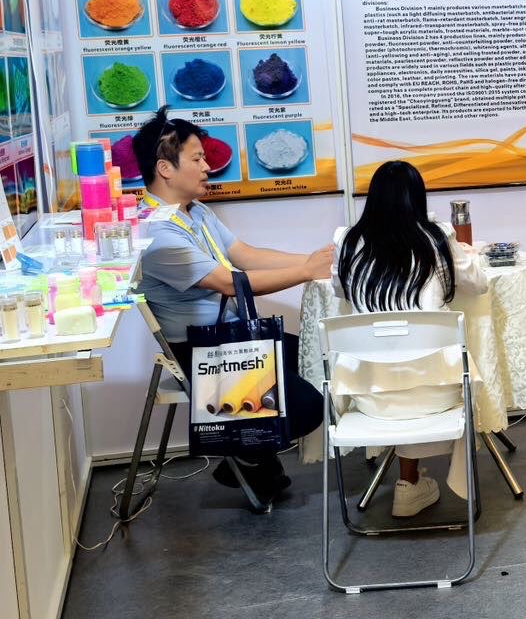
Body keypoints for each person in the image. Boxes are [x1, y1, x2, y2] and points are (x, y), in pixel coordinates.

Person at [133, 108, 331, 503]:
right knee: (309, 407)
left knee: (316, 356)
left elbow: (244, 254)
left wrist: (311, 260)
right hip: (201, 351)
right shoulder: (156, 231)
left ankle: (252, 452)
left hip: (231, 337)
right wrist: (306, 271)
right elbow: (228, 282)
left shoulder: (194, 211)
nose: (207, 167)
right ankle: (245, 450)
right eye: (197, 158)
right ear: (165, 168)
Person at [332, 160, 488, 519]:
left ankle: (409, 482)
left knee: (395, 374)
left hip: (370, 397)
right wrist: (467, 254)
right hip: (438, 392)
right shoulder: (437, 237)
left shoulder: (348, 241)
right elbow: (478, 285)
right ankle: (411, 483)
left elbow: (340, 290)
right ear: (417, 198)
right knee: (433, 367)